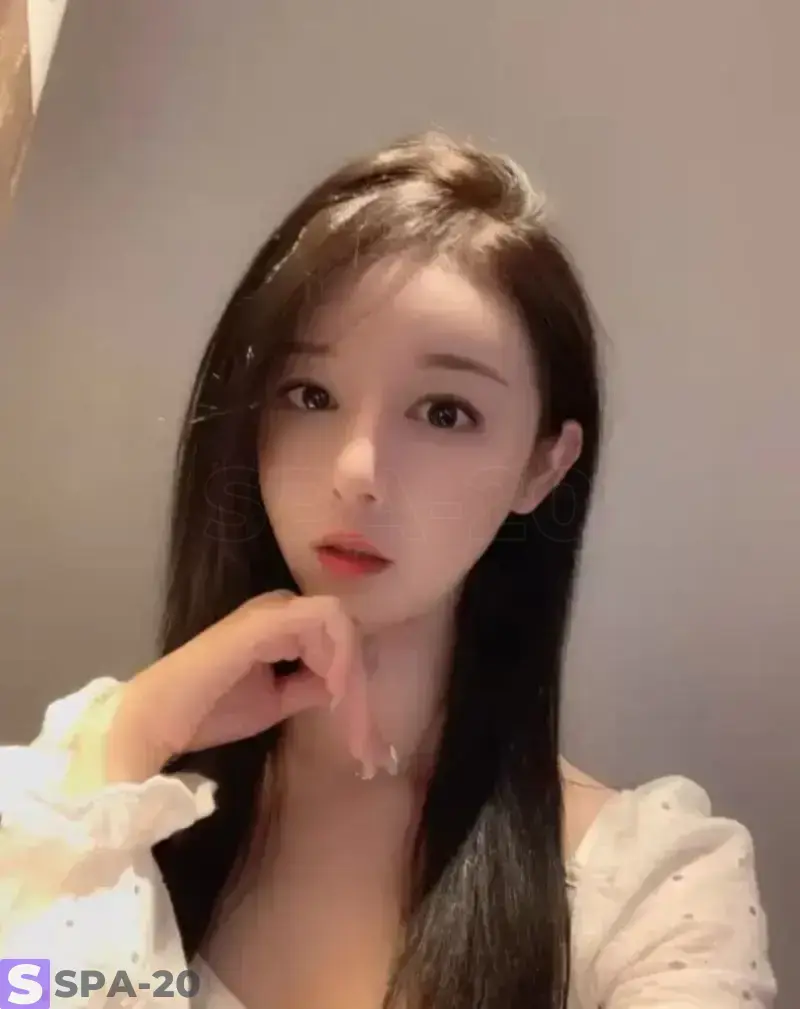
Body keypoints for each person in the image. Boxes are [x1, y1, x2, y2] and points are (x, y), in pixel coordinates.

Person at [0, 132, 776, 1009]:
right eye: (310, 395)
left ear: (543, 465)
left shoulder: (654, 891)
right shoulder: (86, 782)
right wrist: (127, 743)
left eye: (445, 412)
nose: (357, 469)